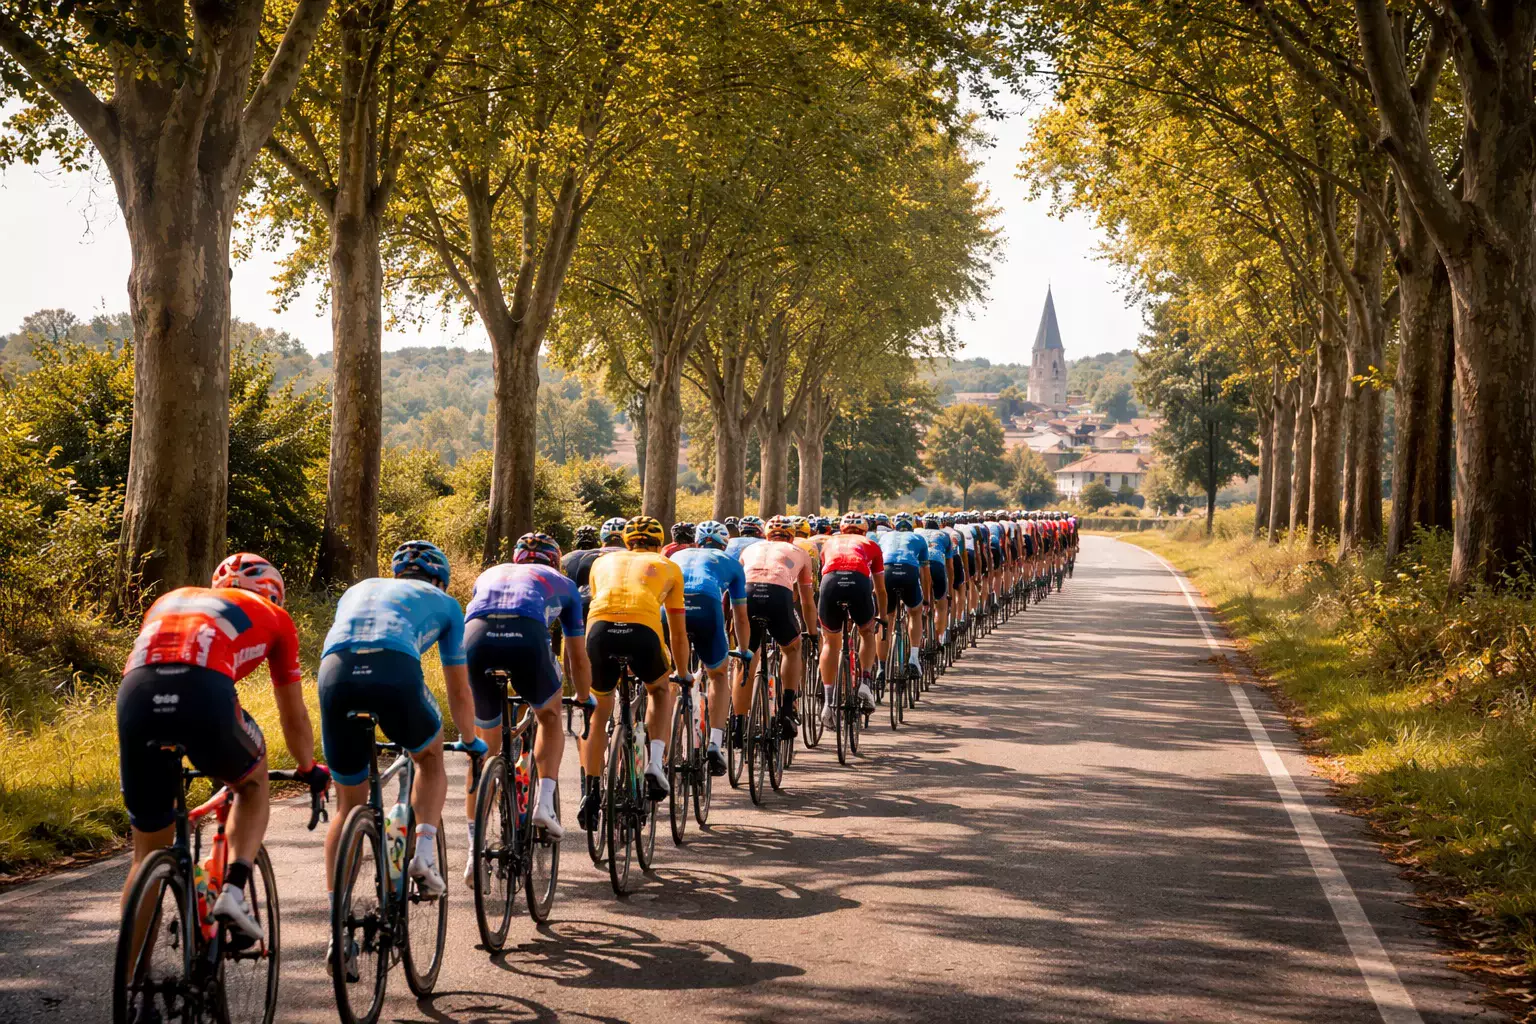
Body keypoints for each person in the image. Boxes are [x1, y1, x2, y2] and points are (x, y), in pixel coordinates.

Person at [116, 553, 328, 944]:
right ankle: (233, 890)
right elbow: (293, 714)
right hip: (202, 692)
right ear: (274, 595)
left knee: (145, 854)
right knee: (251, 782)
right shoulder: (275, 616)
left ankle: (129, 992)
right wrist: (307, 767)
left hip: (136, 695)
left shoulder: (172, 598)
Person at [319, 541, 483, 929]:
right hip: (394, 671)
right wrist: (470, 739)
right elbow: (459, 689)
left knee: (346, 807)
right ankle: (422, 857)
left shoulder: (357, 589)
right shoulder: (444, 603)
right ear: (439, 579)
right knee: (429, 758)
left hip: (334, 674)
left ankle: (336, 926)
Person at [461, 534, 593, 870]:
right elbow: (577, 656)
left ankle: (473, 849)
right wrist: (581, 696)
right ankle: (544, 806)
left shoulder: (487, 574)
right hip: (526, 638)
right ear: (555, 561)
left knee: (484, 750)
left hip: (476, 640)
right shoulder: (563, 583)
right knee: (549, 716)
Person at [580, 516, 692, 830]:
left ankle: (590, 794)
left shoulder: (602, 562)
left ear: (627, 542)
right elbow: (679, 634)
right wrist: (681, 674)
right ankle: (655, 763)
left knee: (599, 712)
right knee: (658, 690)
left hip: (599, 631)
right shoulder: (668, 566)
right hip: (643, 632)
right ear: (658, 544)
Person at [670, 520, 750, 775]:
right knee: (717, 674)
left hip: (672, 610)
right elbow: (740, 616)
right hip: (707, 605)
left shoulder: (676, 555)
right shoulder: (732, 563)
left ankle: (660, 743)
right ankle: (715, 743)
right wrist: (745, 650)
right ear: (725, 543)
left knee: (667, 676)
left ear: (697, 540)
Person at [738, 516, 819, 727]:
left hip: (747, 595)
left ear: (766, 535)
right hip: (778, 594)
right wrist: (812, 633)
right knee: (792, 649)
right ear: (791, 537)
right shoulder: (800, 552)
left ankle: (737, 723)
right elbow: (807, 602)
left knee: (746, 655)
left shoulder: (749, 550)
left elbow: (734, 588)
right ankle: (787, 708)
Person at [816, 513, 886, 723]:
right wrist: (881, 617)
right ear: (864, 531)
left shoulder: (829, 543)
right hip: (858, 581)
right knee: (866, 632)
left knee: (830, 641)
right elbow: (880, 589)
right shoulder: (870, 544)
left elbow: (825, 572)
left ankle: (828, 702)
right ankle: (865, 682)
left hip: (831, 583)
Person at [877, 513, 931, 681]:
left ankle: (881, 667)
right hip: (909, 571)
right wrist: (927, 599)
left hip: (887, 571)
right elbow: (925, 573)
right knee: (914, 613)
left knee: (887, 619)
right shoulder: (919, 538)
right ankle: (914, 658)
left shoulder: (884, 537)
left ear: (894, 526)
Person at [917, 514, 954, 649]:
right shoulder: (944, 535)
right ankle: (938, 639)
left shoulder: (917, 532)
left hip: (920, 567)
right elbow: (950, 567)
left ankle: (919, 637)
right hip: (937, 566)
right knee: (941, 604)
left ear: (923, 523)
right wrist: (949, 590)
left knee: (917, 604)